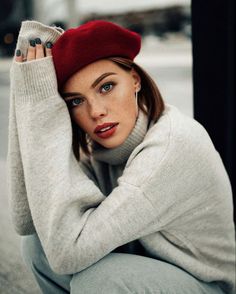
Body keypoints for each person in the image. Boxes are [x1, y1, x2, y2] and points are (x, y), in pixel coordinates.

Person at [7, 20, 235, 294]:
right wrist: (29, 97)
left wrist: (44, 118)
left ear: (135, 80)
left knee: (99, 279)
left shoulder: (170, 149)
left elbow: (68, 253)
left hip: (205, 285)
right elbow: (27, 217)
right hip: (146, 265)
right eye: (76, 101)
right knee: (37, 242)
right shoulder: (98, 149)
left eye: (106, 87)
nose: (96, 111)